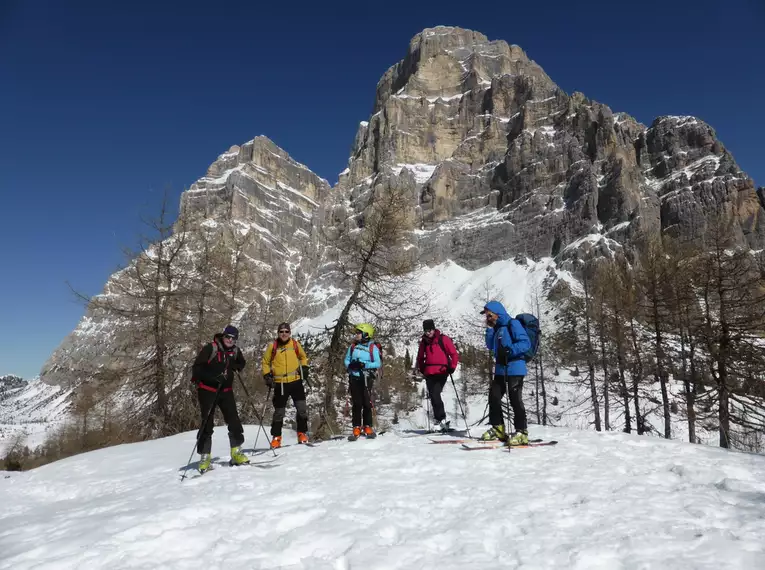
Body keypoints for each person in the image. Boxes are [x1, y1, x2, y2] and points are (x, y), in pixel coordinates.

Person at [192, 325, 248, 473]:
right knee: (207, 423)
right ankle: (205, 457)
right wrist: (212, 377)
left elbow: (242, 362)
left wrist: (235, 366)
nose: (230, 340)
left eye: (233, 338)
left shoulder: (234, 350)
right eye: (228, 337)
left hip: (226, 391)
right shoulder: (211, 348)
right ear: (223, 336)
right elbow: (197, 368)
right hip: (208, 390)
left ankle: (236, 452)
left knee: (234, 421)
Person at [480, 301, 531, 445]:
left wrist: (510, 350)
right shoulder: (496, 329)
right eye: (486, 316)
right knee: (494, 397)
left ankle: (522, 432)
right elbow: (490, 346)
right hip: (501, 369)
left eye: (489, 315)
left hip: (515, 367)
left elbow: (525, 343)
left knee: (515, 399)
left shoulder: (512, 324)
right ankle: (498, 428)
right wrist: (489, 330)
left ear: (497, 312)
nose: (487, 318)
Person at [261, 322, 310, 449]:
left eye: (286, 331)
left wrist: (304, 368)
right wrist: (267, 376)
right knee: (279, 412)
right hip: (280, 383)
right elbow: (265, 362)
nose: (284, 334)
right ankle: (276, 438)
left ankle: (302, 433)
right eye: (281, 331)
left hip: (295, 381)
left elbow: (303, 357)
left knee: (302, 409)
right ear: (278, 333)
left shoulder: (294, 344)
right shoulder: (273, 346)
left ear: (290, 333)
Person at [416, 318, 459, 432]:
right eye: (426, 330)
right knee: (433, 396)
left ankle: (441, 419)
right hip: (429, 372)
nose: (428, 332)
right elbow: (420, 357)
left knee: (435, 394)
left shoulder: (443, 339)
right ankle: (439, 420)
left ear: (434, 329)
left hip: (442, 371)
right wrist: (422, 368)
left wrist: (452, 367)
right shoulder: (424, 342)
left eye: (430, 330)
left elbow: (454, 354)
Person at [344, 323, 382, 440]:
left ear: (366, 334)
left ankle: (367, 426)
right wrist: (351, 365)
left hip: (366, 377)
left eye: (359, 333)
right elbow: (346, 359)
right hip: (354, 377)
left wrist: (364, 365)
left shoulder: (372, 348)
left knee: (366, 402)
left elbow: (377, 363)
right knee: (357, 403)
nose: (357, 335)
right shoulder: (353, 347)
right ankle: (356, 426)